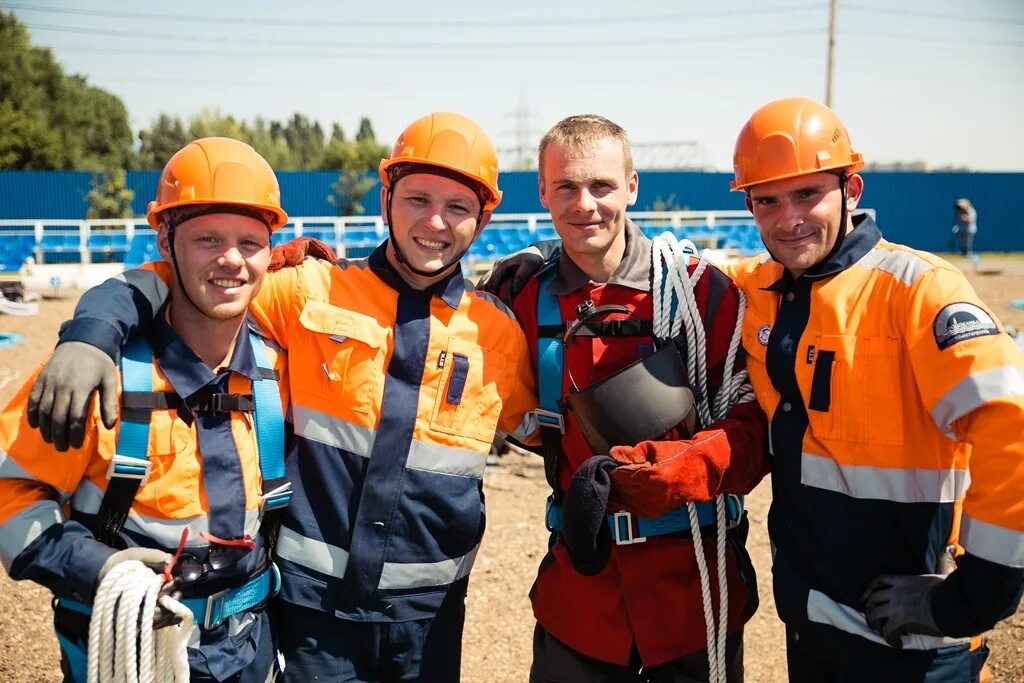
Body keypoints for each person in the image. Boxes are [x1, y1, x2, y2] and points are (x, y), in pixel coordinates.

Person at [25, 112, 540, 682]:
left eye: (459, 207)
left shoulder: (501, 333)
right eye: (417, 198)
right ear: (386, 197)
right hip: (311, 614)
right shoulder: (303, 290)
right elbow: (191, 277)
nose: (435, 222)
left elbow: (541, 429)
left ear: (485, 217)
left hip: (431, 620)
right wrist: (95, 329)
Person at [725, 97, 1024, 681]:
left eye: (807, 193)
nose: (788, 219)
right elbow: (657, 268)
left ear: (851, 188)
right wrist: (543, 261)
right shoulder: (756, 287)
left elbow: (1010, 426)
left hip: (913, 648)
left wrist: (974, 595)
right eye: (767, 201)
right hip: (812, 628)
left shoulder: (918, 291)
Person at [481, 114, 769, 682]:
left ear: (631, 186)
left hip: (694, 594)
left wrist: (682, 470)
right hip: (580, 598)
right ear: (541, 191)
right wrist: (324, 274)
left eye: (602, 186)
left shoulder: (700, 292)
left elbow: (755, 428)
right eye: (565, 186)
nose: (584, 204)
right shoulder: (517, 299)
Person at [0, 137, 291, 682]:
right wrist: (98, 567)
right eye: (208, 238)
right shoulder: (94, 376)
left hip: (249, 651)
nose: (231, 258)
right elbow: (10, 496)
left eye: (250, 242)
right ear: (165, 239)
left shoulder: (277, 368)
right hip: (128, 652)